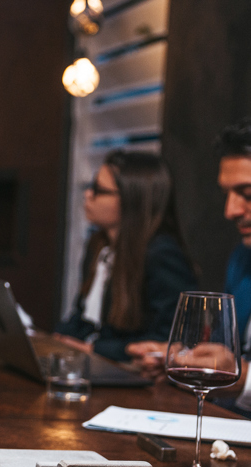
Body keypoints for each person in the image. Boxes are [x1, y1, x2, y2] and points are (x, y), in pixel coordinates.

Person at [128, 119, 251, 414]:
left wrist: (243, 380)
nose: (230, 210)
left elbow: (239, 372)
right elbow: (230, 358)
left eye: (246, 193)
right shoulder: (242, 259)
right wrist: (183, 358)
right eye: (227, 194)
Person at [53, 150, 197, 362]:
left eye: (98, 190)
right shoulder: (99, 246)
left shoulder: (161, 254)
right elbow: (85, 317)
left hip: (137, 377)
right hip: (100, 366)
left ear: (131, 199)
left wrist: (94, 349)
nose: (87, 195)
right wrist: (57, 339)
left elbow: (172, 339)